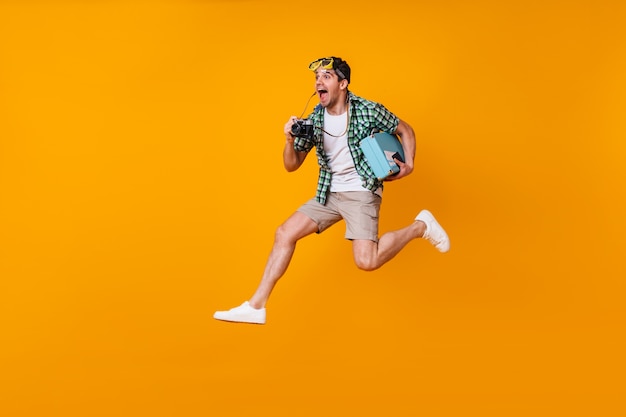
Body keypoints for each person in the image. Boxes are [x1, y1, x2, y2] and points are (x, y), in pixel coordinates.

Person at [214, 56, 449, 324]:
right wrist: (289, 140)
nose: (318, 82)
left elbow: (406, 130)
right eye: (316, 78)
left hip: (361, 192)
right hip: (329, 194)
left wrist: (410, 164)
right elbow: (292, 165)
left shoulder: (367, 110)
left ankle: (421, 226)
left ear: (343, 83)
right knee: (284, 233)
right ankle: (256, 306)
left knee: (367, 262)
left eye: (326, 76)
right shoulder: (314, 119)